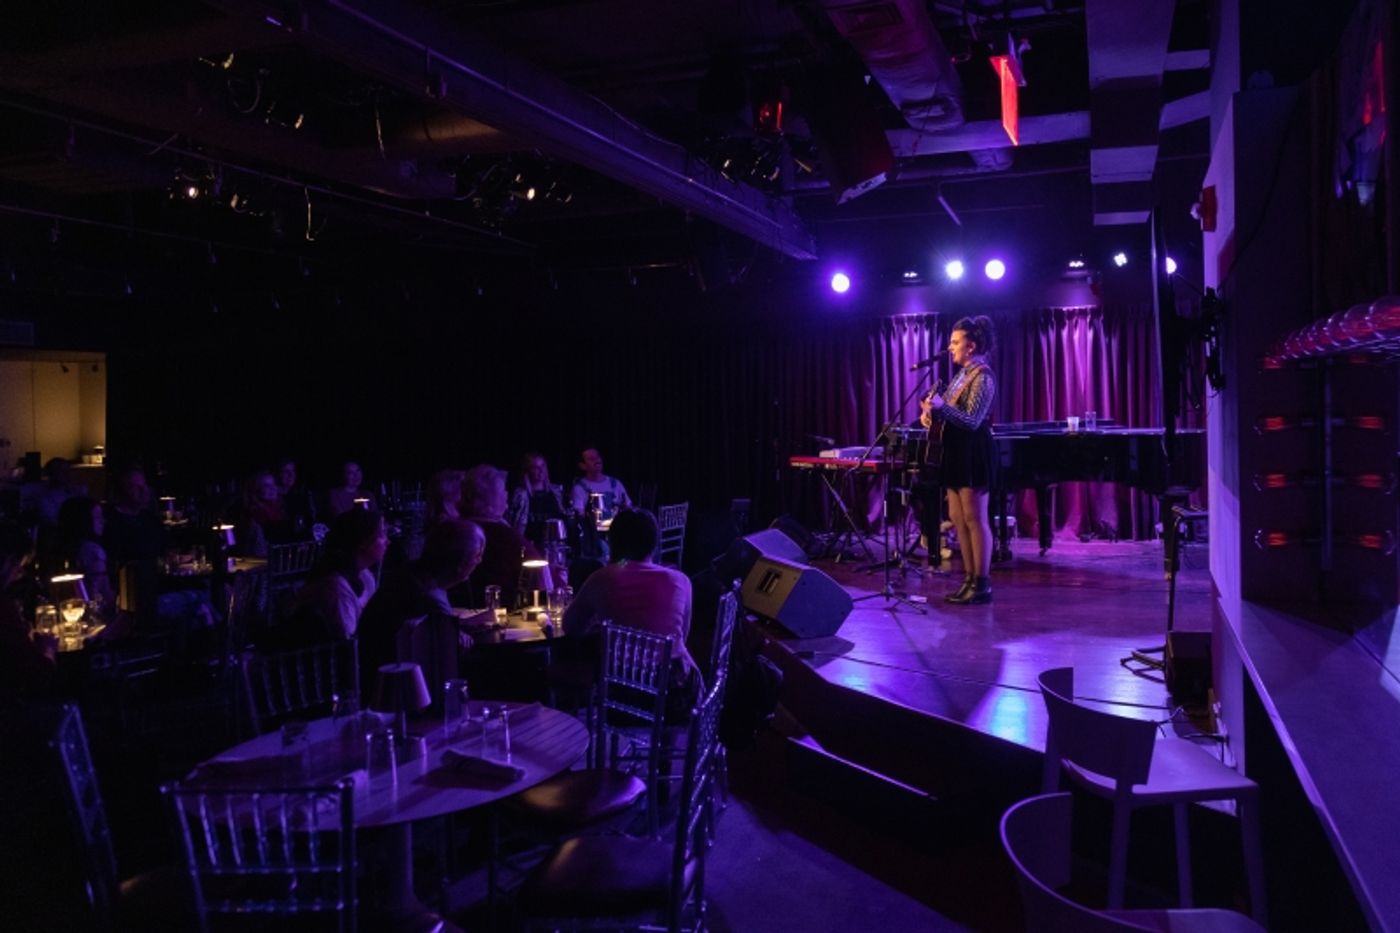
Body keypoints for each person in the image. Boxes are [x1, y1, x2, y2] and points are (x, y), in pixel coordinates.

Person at [561, 508, 698, 715]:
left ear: (612, 541)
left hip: (623, 698)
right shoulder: (681, 580)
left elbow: (571, 627)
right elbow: (681, 637)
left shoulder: (602, 577)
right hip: (677, 696)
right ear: (654, 543)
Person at [919, 315, 997, 605]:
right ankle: (968, 578)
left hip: (973, 451)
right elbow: (947, 415)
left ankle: (982, 582)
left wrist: (942, 408)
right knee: (957, 517)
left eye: (955, 342)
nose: (949, 347)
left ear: (971, 346)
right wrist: (930, 415)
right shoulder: (960, 376)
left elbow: (973, 421)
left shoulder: (984, 376)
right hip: (954, 451)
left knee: (976, 519)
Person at [357, 518, 486, 691]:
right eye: (477, 555)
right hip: (394, 691)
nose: (480, 561)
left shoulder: (410, 575)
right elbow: (448, 656)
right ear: (461, 564)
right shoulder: (427, 595)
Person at [287, 508, 388, 644]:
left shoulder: (365, 575)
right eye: (382, 536)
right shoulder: (336, 588)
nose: (387, 542)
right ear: (363, 542)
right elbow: (347, 643)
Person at [463, 464, 540, 608]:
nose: (506, 495)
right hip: (504, 611)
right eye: (503, 491)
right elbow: (540, 573)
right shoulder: (504, 536)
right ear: (489, 499)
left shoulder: (455, 529)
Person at [0, 521, 56, 704]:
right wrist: (47, 648)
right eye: (19, 566)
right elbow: (37, 675)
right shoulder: (4, 609)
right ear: (8, 561)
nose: (19, 574)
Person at [506, 452, 568, 548]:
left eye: (542, 466)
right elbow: (513, 523)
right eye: (535, 467)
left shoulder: (556, 492)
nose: (541, 470)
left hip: (554, 545)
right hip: (529, 546)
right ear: (528, 470)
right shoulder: (520, 495)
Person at [274, 458, 317, 534]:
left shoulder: (301, 496)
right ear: (278, 473)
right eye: (286, 471)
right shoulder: (271, 497)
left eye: (293, 471)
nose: (291, 475)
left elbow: (310, 520)